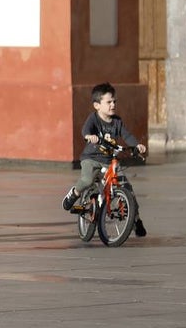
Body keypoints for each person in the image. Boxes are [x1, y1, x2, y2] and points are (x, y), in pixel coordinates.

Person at [61, 83, 148, 237]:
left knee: (127, 189)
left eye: (114, 101)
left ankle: (136, 220)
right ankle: (74, 193)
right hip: (92, 158)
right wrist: (89, 136)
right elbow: (85, 130)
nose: (113, 105)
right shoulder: (93, 119)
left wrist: (137, 146)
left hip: (109, 160)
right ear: (97, 105)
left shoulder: (117, 122)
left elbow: (126, 135)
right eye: (108, 102)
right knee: (87, 180)